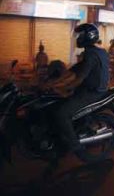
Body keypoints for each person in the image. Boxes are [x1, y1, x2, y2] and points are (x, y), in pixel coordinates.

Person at [46, 23, 110, 153]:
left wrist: (64, 89)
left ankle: (74, 145)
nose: (77, 38)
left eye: (80, 35)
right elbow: (74, 70)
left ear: (88, 37)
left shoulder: (90, 55)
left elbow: (79, 78)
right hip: (94, 89)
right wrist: (54, 82)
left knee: (61, 114)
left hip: (91, 93)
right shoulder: (97, 52)